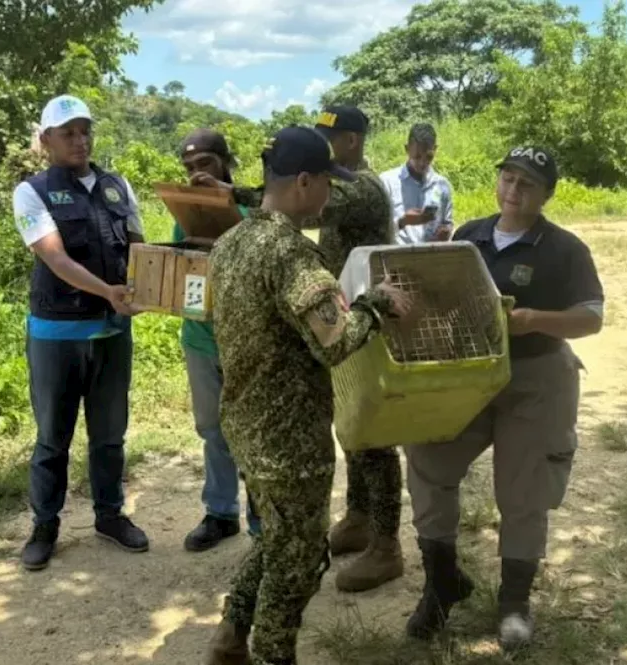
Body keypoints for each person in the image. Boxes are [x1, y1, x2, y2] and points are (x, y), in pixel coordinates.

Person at [204, 126, 414, 665]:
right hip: (290, 438)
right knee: (298, 561)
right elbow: (337, 340)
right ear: (303, 182)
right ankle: (273, 653)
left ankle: (230, 638)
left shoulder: (231, 242)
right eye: (326, 183)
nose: (330, 195)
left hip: (245, 423)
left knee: (277, 538)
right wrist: (376, 305)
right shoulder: (294, 256)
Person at [401, 146, 604, 649]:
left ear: (546, 195)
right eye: (508, 179)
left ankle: (514, 603)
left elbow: (591, 318)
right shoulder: (470, 235)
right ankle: (442, 585)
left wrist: (533, 319)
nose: (514, 191)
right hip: (470, 373)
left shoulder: (564, 249)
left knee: (524, 493)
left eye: (527, 184)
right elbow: (440, 294)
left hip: (537, 378)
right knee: (428, 460)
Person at [11, 94, 150, 571]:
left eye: (85, 130)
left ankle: (110, 516)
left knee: (110, 434)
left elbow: (139, 247)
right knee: (54, 436)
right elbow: (55, 257)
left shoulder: (117, 186)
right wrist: (109, 291)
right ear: (47, 140)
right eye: (68, 133)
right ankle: (44, 526)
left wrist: (147, 290)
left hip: (113, 333)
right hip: (57, 334)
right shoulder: (32, 191)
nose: (80, 140)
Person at [312, 105, 405, 593]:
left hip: (369, 319)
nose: (321, 148)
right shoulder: (346, 184)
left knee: (373, 429)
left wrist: (240, 195)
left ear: (349, 142)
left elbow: (306, 205)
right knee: (349, 421)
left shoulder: (361, 189)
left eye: (326, 139)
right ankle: (359, 516)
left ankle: (387, 546)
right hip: (347, 314)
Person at [174, 128, 265, 551]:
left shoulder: (254, 210)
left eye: (205, 164)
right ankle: (220, 513)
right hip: (201, 339)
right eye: (189, 168)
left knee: (252, 430)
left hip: (246, 341)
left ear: (225, 162)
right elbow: (184, 269)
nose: (197, 176)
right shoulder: (184, 214)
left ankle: (263, 518)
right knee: (213, 429)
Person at [379, 122, 455, 244]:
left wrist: (446, 231)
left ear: (435, 150)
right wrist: (402, 222)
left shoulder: (442, 186)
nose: (422, 163)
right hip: (398, 258)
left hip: (432, 257)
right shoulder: (387, 182)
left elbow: (448, 222)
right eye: (417, 156)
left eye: (429, 157)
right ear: (407, 149)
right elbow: (377, 231)